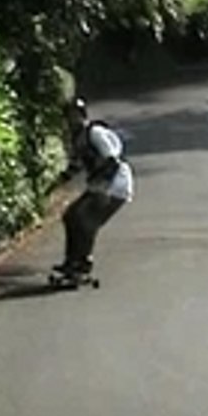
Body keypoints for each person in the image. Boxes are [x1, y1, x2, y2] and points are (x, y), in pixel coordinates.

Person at [55, 97, 133, 280]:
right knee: (70, 216)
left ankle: (83, 262)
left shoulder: (95, 132)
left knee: (86, 219)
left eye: (75, 116)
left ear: (83, 116)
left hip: (115, 183)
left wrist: (103, 190)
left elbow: (112, 161)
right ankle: (72, 260)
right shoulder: (77, 138)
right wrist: (57, 182)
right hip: (99, 184)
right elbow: (75, 166)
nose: (72, 121)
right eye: (69, 117)